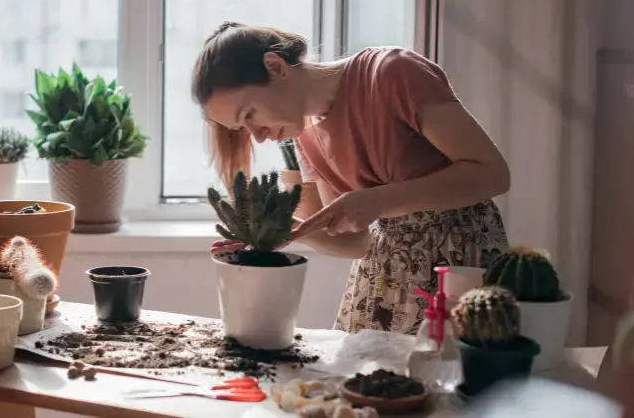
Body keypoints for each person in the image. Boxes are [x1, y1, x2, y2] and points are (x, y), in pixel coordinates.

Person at [193, 21, 510, 334]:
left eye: (250, 114)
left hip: (459, 265)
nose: (257, 137)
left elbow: (493, 173)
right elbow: (356, 243)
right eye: (242, 128)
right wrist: (289, 232)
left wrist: (377, 201)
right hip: (386, 278)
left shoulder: (392, 73)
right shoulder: (304, 136)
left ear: (275, 66)